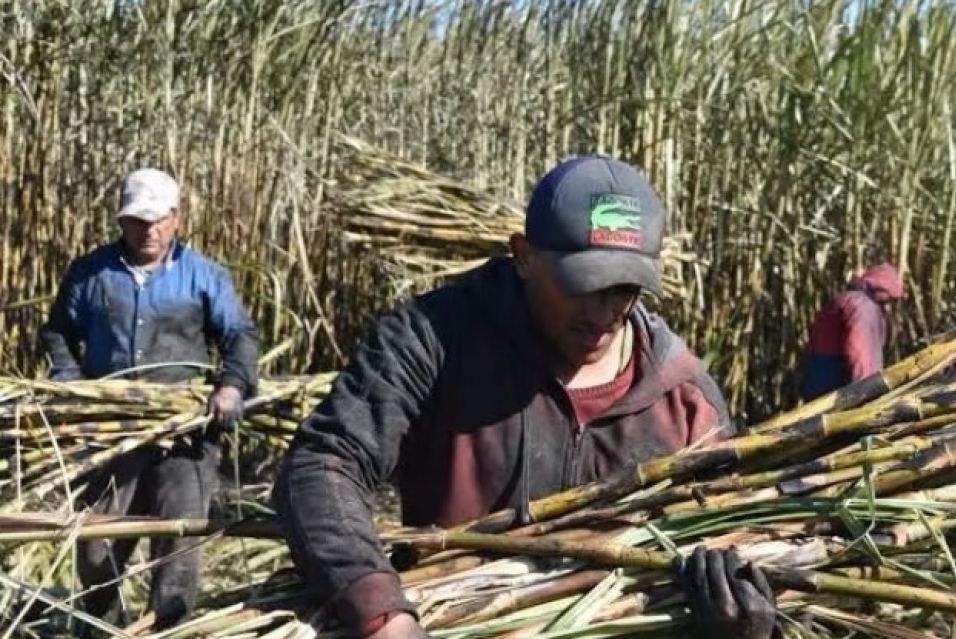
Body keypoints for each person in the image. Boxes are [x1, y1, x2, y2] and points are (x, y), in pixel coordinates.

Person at [272, 156, 779, 638]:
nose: (605, 311)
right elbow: (323, 464)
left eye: (625, 288)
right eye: (584, 284)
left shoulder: (684, 401)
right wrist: (385, 616)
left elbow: (734, 545)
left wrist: (744, 624)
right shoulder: (436, 341)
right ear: (524, 257)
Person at [39, 168, 260, 632]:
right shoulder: (91, 273)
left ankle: (167, 630)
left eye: (158, 220)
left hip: (184, 433)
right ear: (121, 221)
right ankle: (105, 628)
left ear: (176, 218)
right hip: (110, 431)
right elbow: (58, 332)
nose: (149, 230)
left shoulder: (203, 275)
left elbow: (239, 334)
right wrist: (72, 385)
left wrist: (232, 386)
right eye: (138, 221)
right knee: (95, 546)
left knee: (178, 545)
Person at [800, 263, 904, 401]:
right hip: (835, 380)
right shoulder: (863, 307)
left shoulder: (847, 298)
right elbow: (860, 351)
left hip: (818, 375)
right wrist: (866, 391)